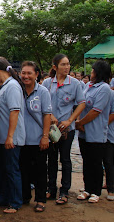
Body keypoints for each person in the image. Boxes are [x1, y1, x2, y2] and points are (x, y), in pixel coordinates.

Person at [42, 54, 85, 205]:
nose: (66, 67)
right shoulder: (47, 83)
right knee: (51, 159)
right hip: (52, 128)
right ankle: (51, 189)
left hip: (67, 129)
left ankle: (64, 191)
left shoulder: (75, 84)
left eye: (68, 64)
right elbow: (43, 101)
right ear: (55, 67)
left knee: (65, 159)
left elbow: (81, 103)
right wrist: (51, 115)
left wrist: (70, 120)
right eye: (63, 64)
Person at [0, 57, 26, 214]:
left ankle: (15, 201)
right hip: (0, 137)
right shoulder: (2, 86)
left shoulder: (12, 87)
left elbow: (14, 112)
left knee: (12, 169)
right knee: (1, 169)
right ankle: (3, 196)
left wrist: (10, 136)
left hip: (10, 137)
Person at [75, 60, 111, 203]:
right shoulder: (88, 86)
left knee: (96, 162)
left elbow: (96, 111)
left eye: (93, 70)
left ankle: (95, 191)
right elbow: (80, 104)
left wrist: (80, 123)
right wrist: (78, 120)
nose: (91, 72)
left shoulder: (104, 89)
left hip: (95, 132)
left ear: (98, 72)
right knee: (87, 161)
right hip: (83, 132)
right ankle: (87, 188)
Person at [19, 61, 51, 212]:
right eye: (23, 73)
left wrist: (45, 136)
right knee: (23, 170)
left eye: (29, 73)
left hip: (38, 139)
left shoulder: (43, 92)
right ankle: (25, 197)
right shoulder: (18, 90)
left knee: (40, 171)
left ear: (36, 74)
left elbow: (47, 115)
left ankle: (40, 199)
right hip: (22, 140)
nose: (26, 76)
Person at [104, 90, 114, 201]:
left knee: (109, 161)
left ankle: (111, 188)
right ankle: (109, 184)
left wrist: (102, 124)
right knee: (107, 160)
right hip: (106, 134)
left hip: (110, 133)